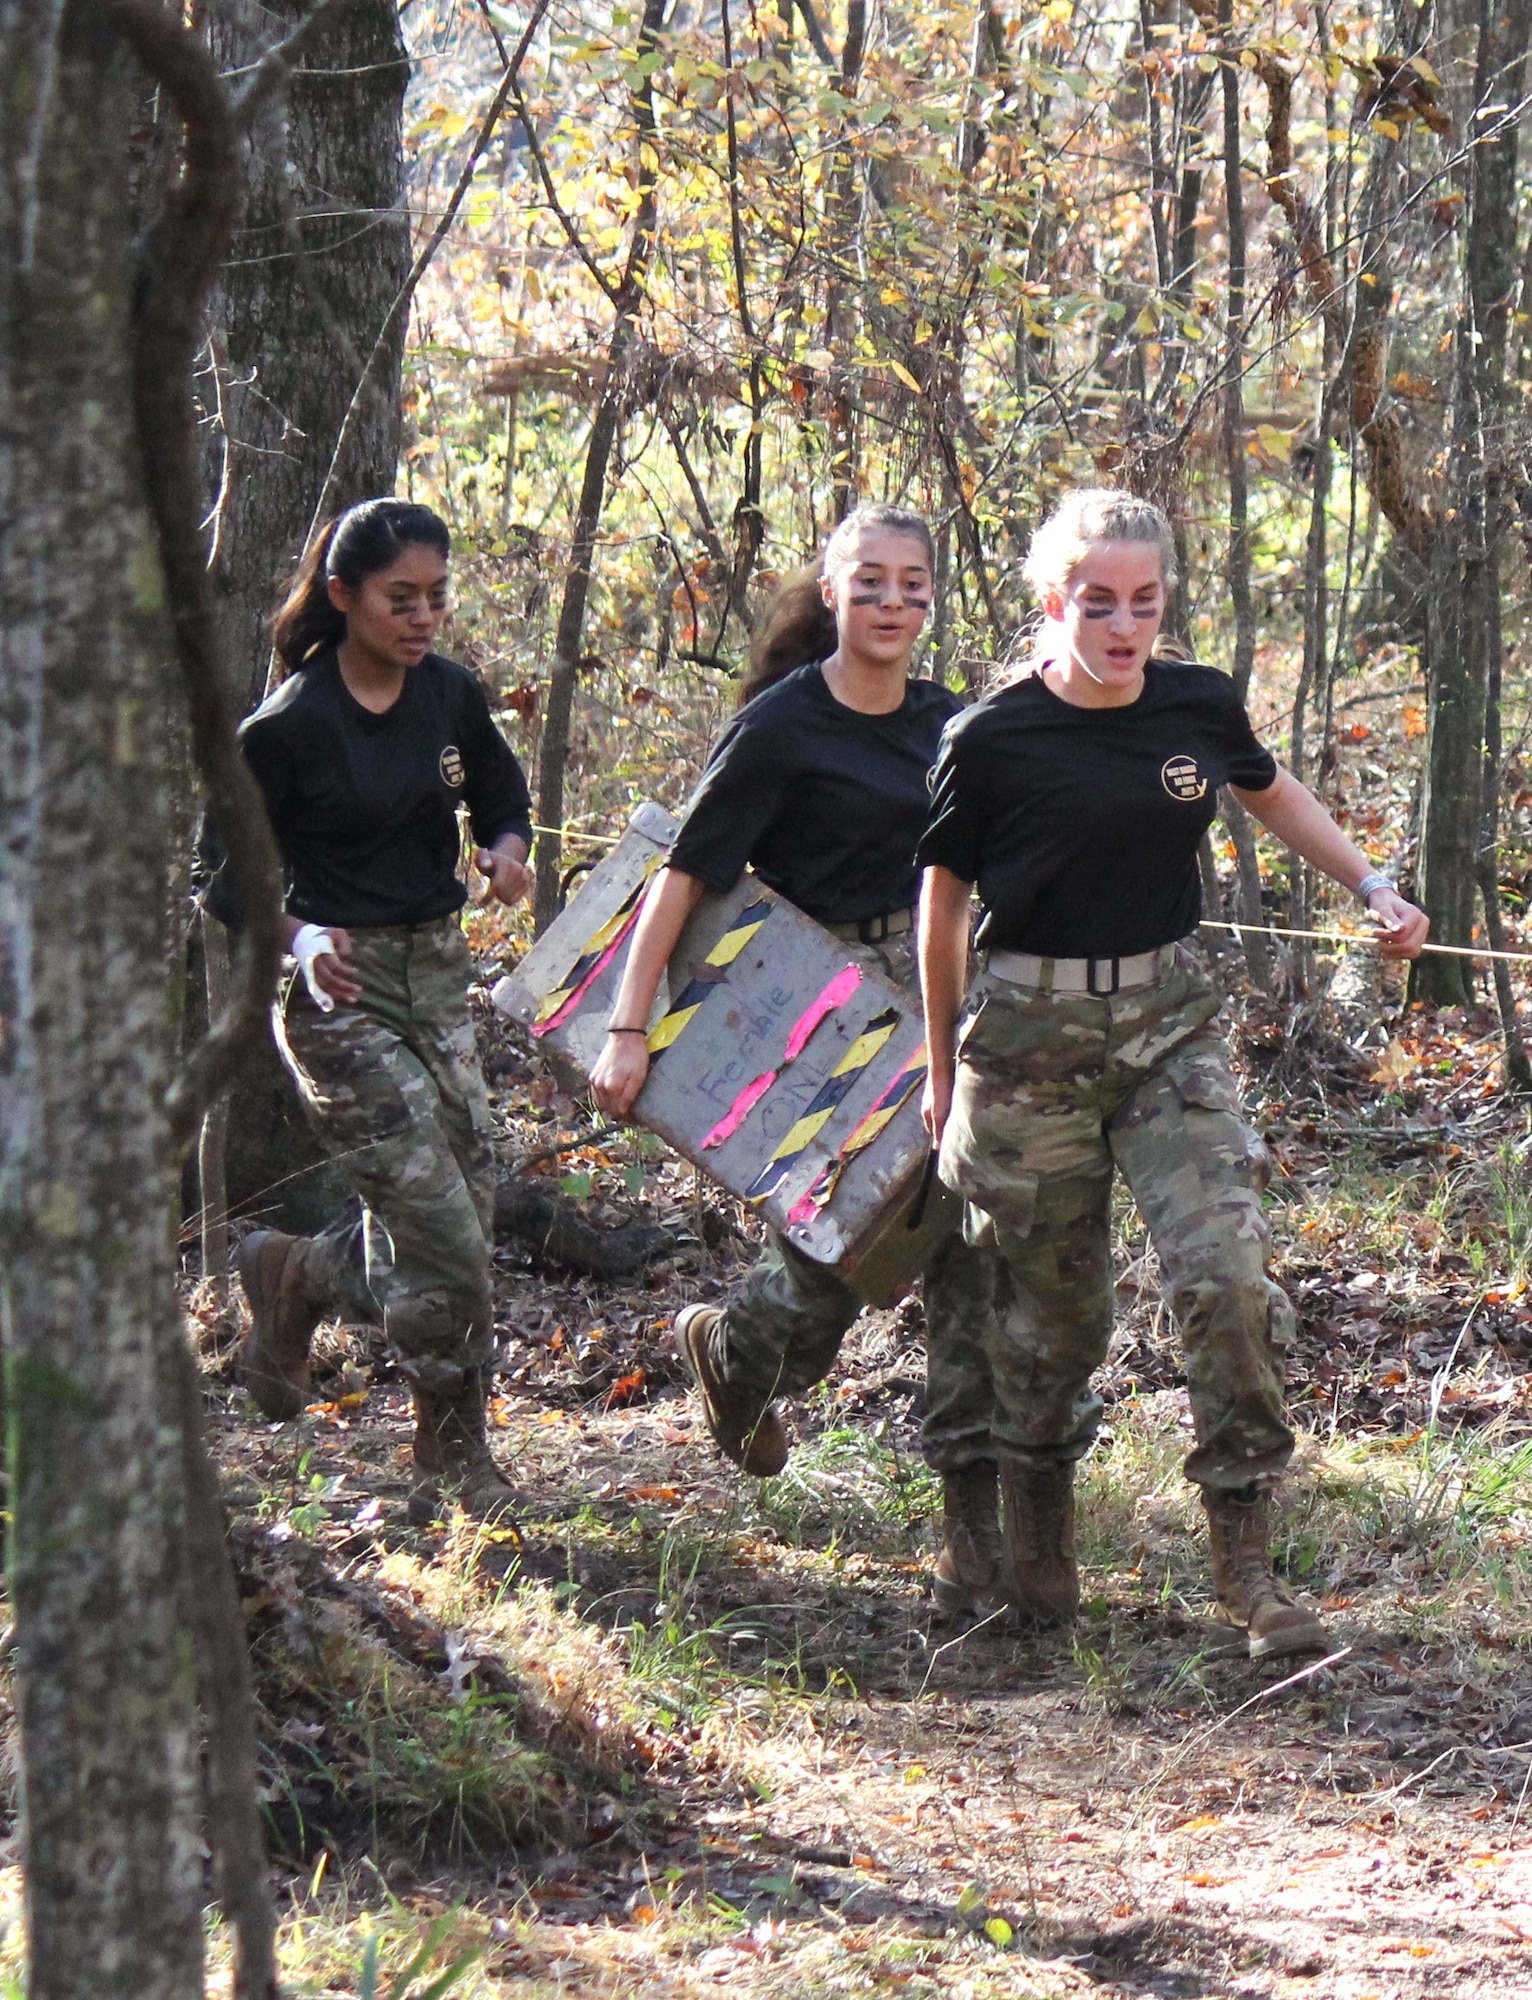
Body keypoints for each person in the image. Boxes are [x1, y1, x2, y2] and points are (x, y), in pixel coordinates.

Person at [917, 488, 1429, 1659]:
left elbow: (1271, 790)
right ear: (1055, 603)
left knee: (1227, 1273)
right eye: (1097, 601)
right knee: (1050, 1317)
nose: (1121, 624)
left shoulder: (1194, 702)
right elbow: (940, 907)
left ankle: (1242, 1555)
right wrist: (940, 1065)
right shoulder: (987, 737)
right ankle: (1033, 1521)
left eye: (1143, 602)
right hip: (1025, 1040)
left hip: (1166, 1026)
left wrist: (1370, 887)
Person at [591, 505, 1003, 1617]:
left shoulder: (950, 721)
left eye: (910, 584)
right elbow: (684, 875)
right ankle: (740, 1350)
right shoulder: (780, 725)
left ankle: (975, 1519)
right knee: (848, 1244)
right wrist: (626, 1029)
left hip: (936, 989)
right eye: (868, 581)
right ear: (831, 590)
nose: (891, 602)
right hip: (809, 1006)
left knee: (970, 1228)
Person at [225, 498, 533, 1523]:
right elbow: (222, 874)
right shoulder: (289, 726)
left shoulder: (447, 693)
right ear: (345, 595)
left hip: (436, 978)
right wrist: (304, 938)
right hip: (335, 997)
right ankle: (451, 1450)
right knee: (443, 1233)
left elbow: (500, 790)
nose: (422, 618)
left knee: (459, 1205)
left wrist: (507, 852)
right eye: (401, 599)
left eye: (436, 597)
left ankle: (296, 1276)